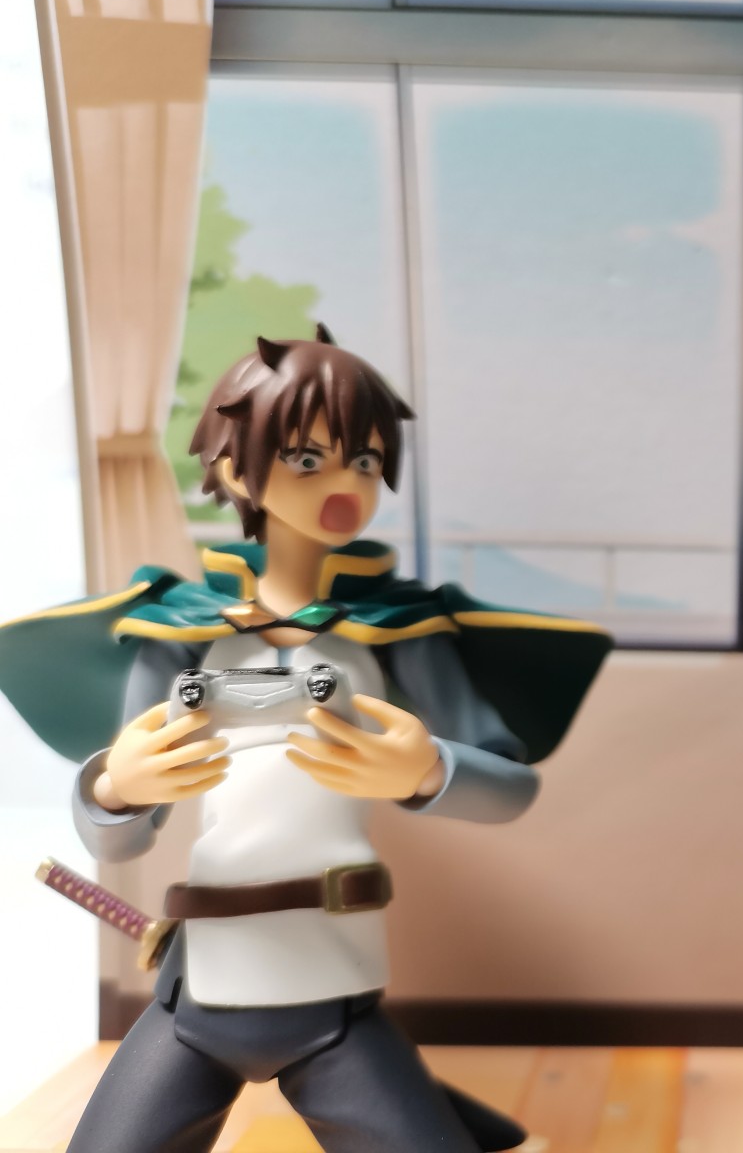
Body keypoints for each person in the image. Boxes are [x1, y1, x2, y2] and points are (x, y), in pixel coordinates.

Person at [0, 328, 612, 1153]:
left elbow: (510, 788)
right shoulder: (180, 631)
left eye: (363, 460)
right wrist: (116, 786)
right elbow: (115, 838)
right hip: (201, 992)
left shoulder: (399, 630)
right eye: (306, 458)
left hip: (334, 989)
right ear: (233, 469)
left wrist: (427, 769)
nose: (343, 484)